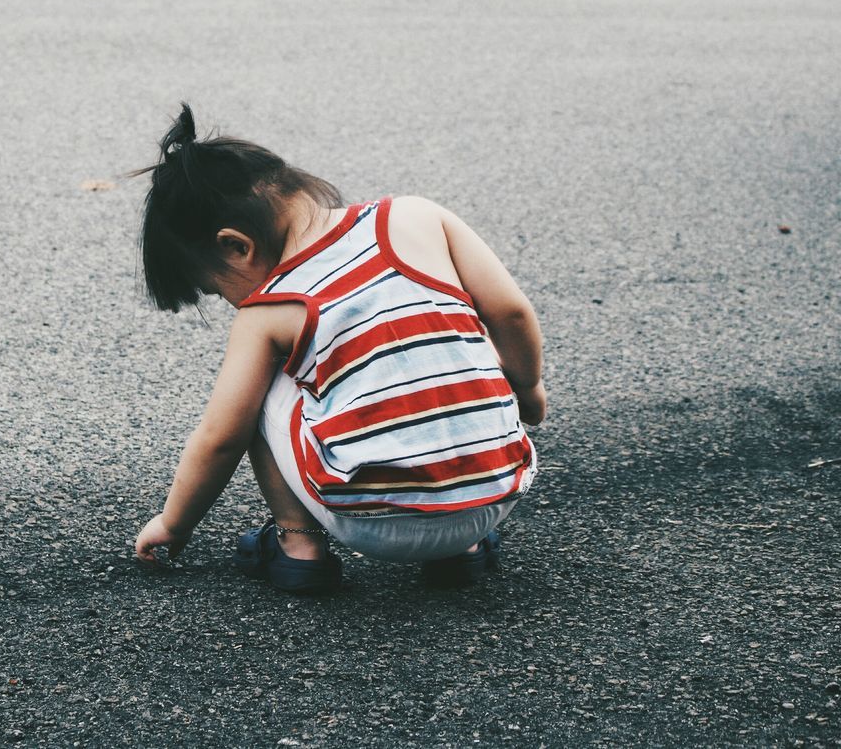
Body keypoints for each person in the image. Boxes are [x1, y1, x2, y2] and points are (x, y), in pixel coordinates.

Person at [132, 104, 545, 594]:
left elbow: (221, 437)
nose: (229, 302)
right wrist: (528, 386)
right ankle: (461, 551)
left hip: (372, 526)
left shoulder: (268, 311)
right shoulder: (417, 216)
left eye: (215, 289)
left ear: (235, 247)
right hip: (494, 497)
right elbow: (512, 314)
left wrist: (174, 524)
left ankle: (299, 546)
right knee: (444, 351)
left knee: (256, 393)